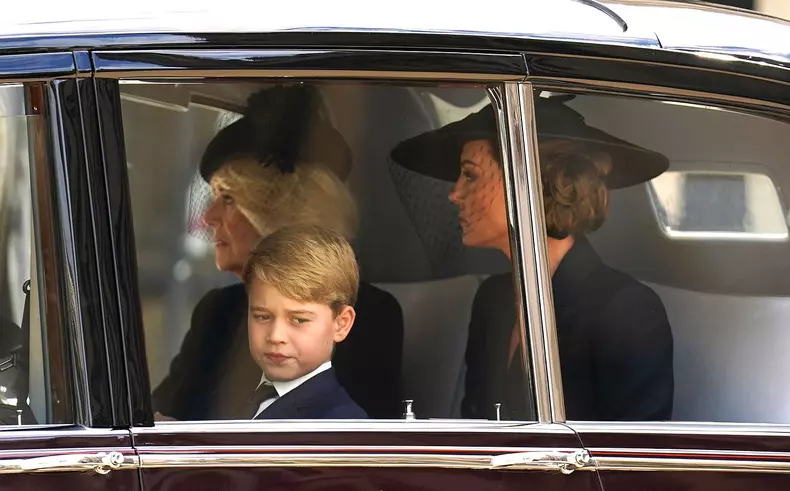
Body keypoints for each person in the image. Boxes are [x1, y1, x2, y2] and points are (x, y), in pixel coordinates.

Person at [390, 95, 674, 421]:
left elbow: (632, 461)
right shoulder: (493, 300)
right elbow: (478, 427)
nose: (454, 193)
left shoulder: (626, 312)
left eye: (470, 175)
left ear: (531, 186)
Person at [152, 85, 403, 421]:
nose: (209, 217)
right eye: (262, 316)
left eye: (228, 199)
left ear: (279, 210)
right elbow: (158, 421)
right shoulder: (217, 310)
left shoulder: (366, 313)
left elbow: (347, 449)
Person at [241, 224, 367, 419]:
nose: (276, 336)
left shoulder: (340, 425)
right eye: (262, 316)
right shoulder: (227, 397)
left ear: (341, 324)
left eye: (299, 320)